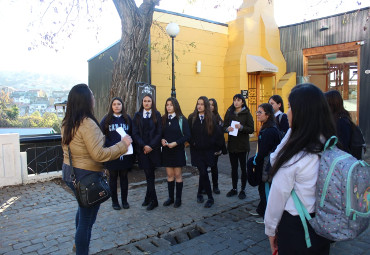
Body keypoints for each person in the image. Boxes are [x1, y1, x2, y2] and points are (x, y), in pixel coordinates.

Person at [61, 84, 132, 255]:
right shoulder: (87, 123)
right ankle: (81, 250)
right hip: (86, 176)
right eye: (91, 94)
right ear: (86, 100)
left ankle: (78, 247)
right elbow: (99, 155)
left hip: (70, 172)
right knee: (87, 219)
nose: (94, 97)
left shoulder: (68, 121)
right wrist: (123, 145)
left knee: (82, 208)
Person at [265, 83, 334, 255]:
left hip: (296, 227)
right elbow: (275, 158)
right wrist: (293, 130)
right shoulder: (328, 142)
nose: (288, 112)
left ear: (301, 113)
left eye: (290, 107)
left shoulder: (296, 156)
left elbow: (277, 196)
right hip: (322, 223)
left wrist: (270, 230)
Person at [248, 103, 281, 222]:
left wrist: (254, 161)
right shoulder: (266, 128)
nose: (257, 114)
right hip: (266, 164)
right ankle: (261, 210)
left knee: (266, 189)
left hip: (267, 166)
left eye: (260, 112)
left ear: (267, 115)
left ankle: (268, 216)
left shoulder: (269, 131)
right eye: (257, 112)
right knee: (262, 188)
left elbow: (263, 152)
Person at [188, 96, 223, 208]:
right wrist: (193, 142)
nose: (199, 106)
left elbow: (217, 134)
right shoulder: (192, 117)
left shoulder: (211, 117)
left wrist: (215, 147)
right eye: (198, 103)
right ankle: (210, 197)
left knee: (203, 173)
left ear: (206, 106)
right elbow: (188, 133)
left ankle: (199, 193)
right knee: (203, 172)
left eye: (202, 104)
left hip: (207, 151)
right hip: (197, 151)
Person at [100, 97, 133, 210]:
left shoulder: (127, 118)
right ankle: (115, 202)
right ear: (111, 106)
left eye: (119, 104)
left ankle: (124, 201)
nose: (117, 106)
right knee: (113, 178)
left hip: (126, 154)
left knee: (124, 177)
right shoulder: (107, 119)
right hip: (112, 154)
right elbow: (99, 134)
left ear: (122, 105)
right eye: (114, 104)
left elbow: (132, 134)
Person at [132, 94, 162, 211]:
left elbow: (159, 133)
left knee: (151, 175)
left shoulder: (157, 114)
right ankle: (151, 198)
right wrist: (144, 145)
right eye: (145, 101)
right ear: (142, 102)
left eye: (149, 101)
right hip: (142, 150)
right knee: (148, 174)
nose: (147, 103)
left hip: (153, 150)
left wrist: (150, 146)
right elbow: (135, 133)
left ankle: (152, 200)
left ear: (152, 102)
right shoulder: (137, 116)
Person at [223, 94, 254, 200]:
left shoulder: (246, 113)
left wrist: (241, 127)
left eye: (238, 100)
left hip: (243, 146)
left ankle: (243, 189)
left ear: (242, 102)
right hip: (232, 145)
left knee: (243, 168)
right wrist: (227, 129)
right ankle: (234, 188)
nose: (236, 102)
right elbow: (224, 126)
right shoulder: (229, 112)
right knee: (234, 168)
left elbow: (251, 128)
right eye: (234, 100)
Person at [161, 97, 190, 208]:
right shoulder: (163, 119)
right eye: (167, 104)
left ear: (175, 106)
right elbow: (161, 134)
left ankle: (178, 199)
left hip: (177, 151)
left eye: (171, 105)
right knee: (169, 175)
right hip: (167, 151)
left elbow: (187, 136)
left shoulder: (182, 119)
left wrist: (176, 143)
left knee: (178, 175)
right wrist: (161, 140)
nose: (168, 107)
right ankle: (170, 198)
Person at [324, 90, 361, 158]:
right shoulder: (340, 119)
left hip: (342, 163)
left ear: (331, 105)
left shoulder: (342, 122)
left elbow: (343, 147)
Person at [208, 98, 225, 194]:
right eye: (209, 104)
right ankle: (204, 187)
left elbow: (221, 134)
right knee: (204, 168)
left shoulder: (217, 117)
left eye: (212, 105)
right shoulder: (204, 116)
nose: (210, 106)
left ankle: (215, 186)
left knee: (214, 167)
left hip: (215, 148)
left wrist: (219, 148)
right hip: (206, 147)